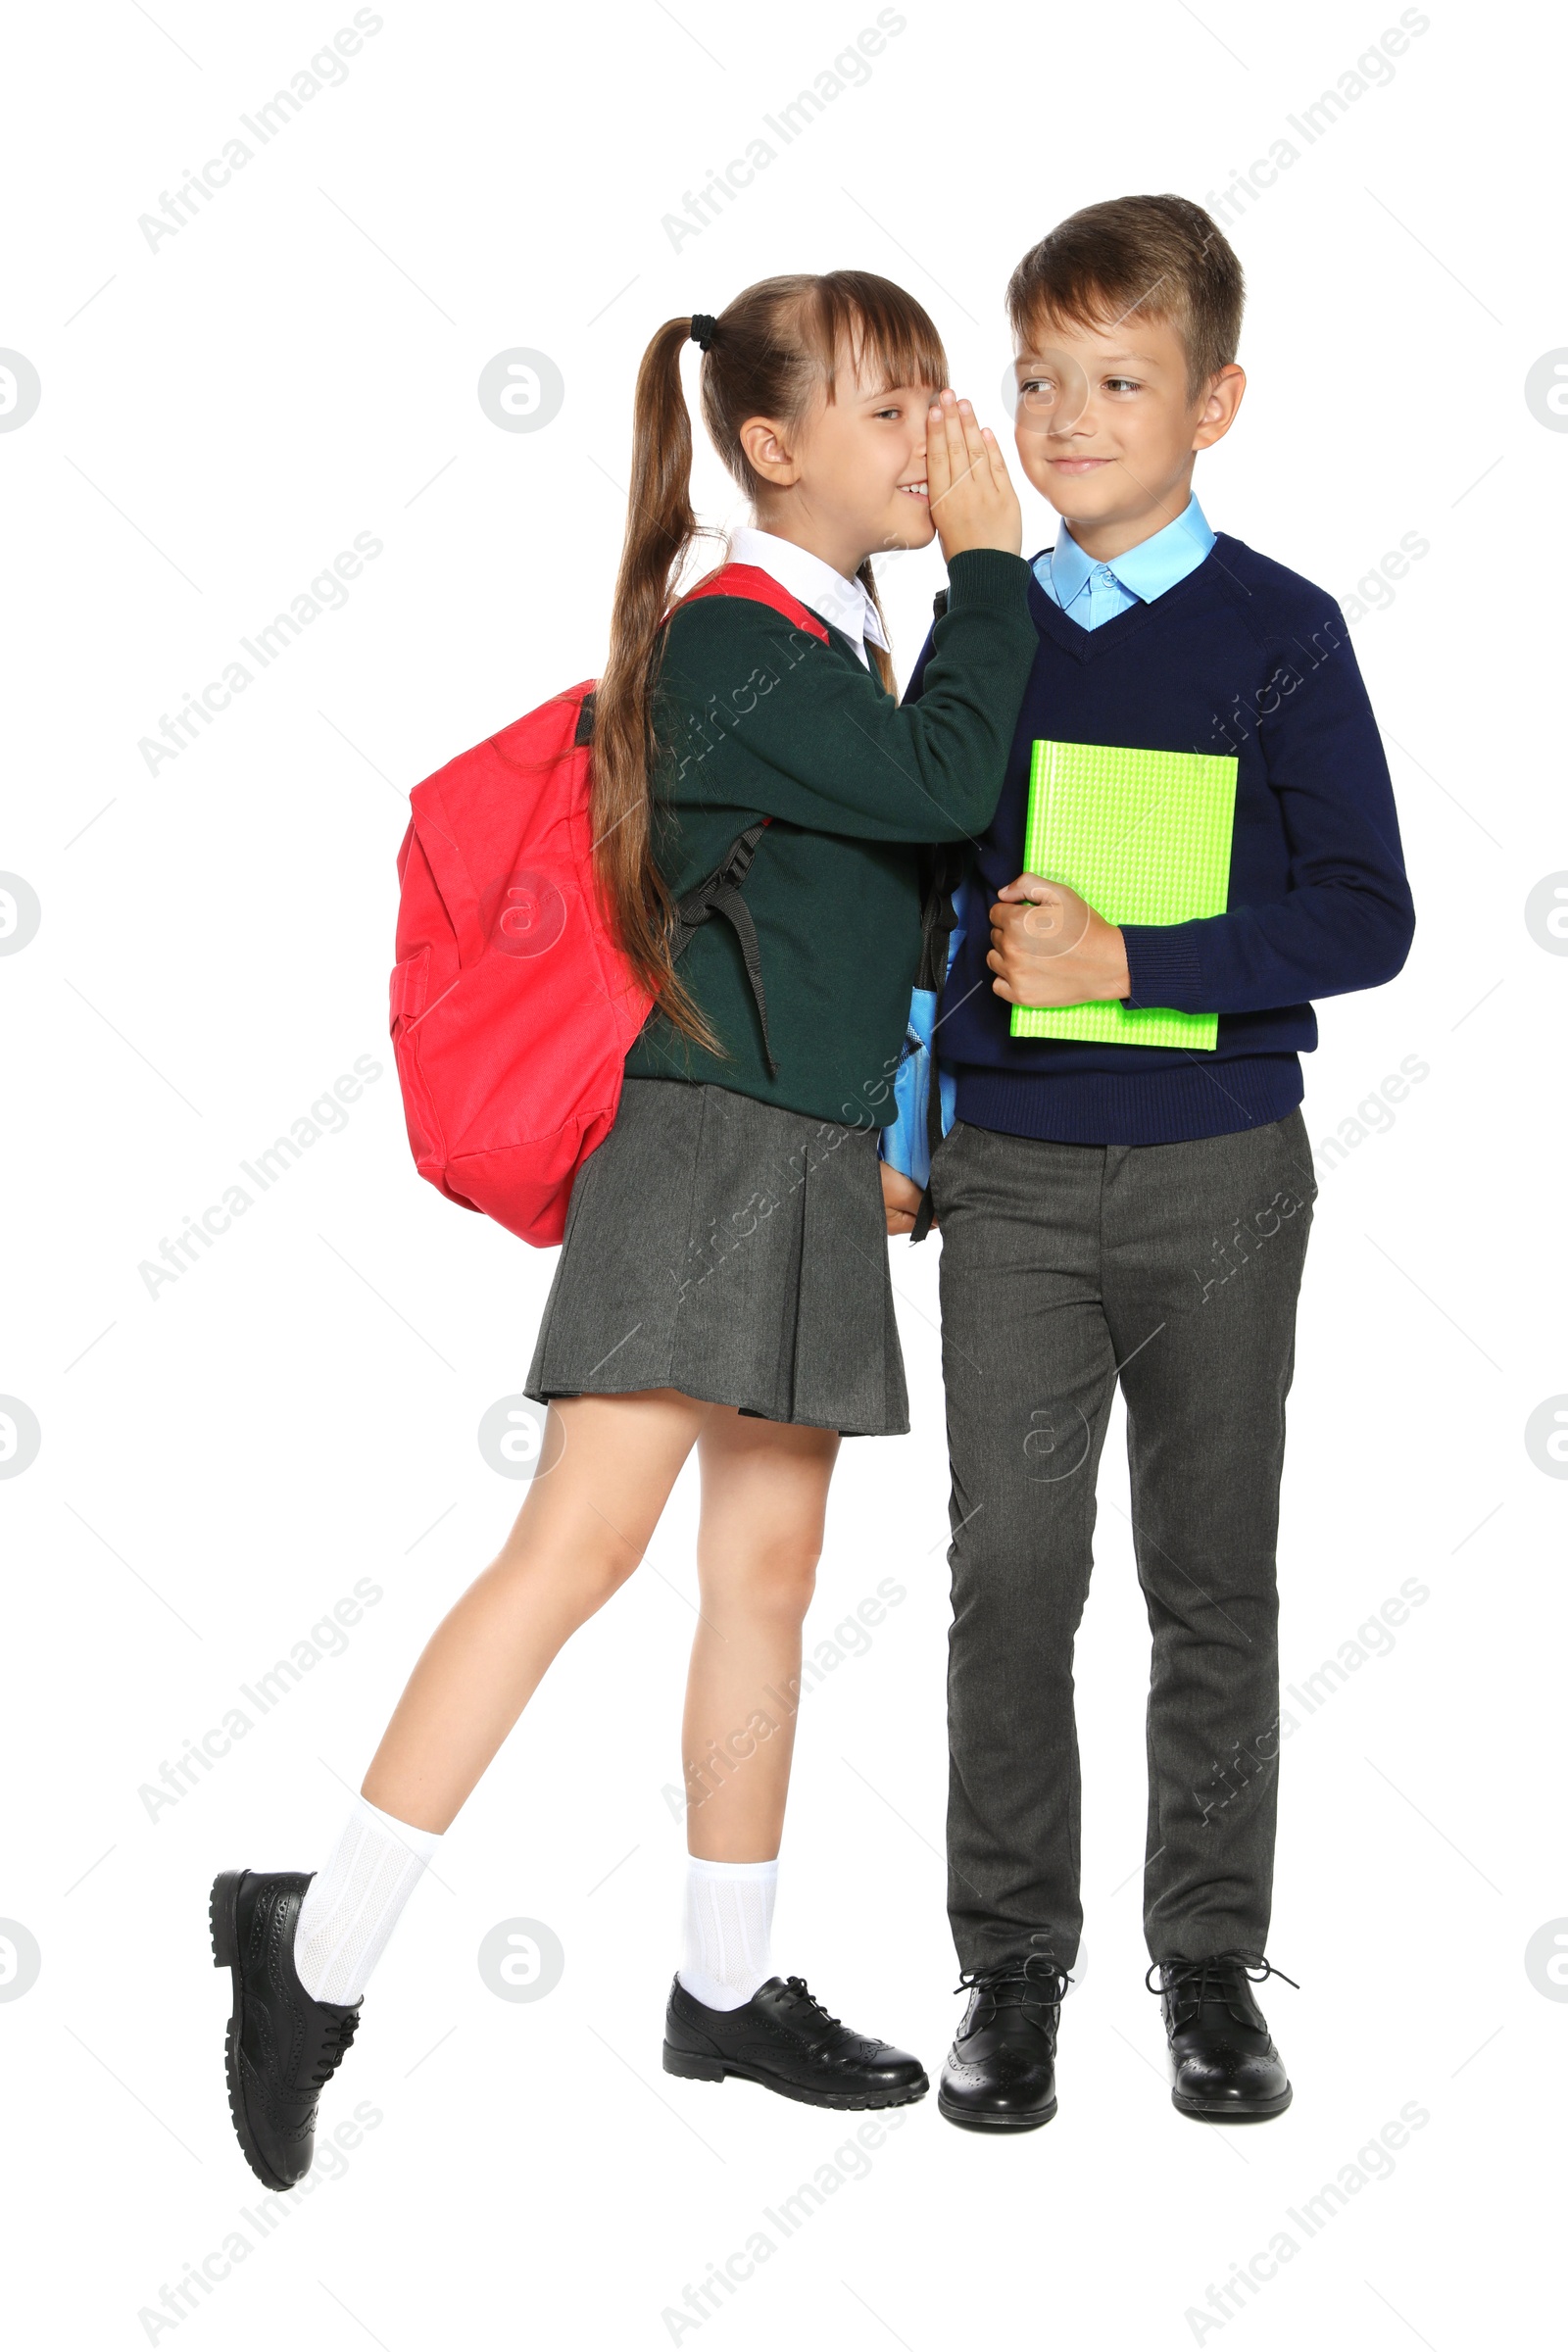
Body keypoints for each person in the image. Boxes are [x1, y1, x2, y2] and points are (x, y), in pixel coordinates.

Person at [211, 270, 1039, 2188]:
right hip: (698, 1160)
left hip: (807, 1159)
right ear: (770, 445)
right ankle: (308, 1953)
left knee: (761, 1577)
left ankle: (724, 1991)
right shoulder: (735, 645)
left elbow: (873, 910)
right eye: (889, 405)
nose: (937, 438)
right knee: (572, 1550)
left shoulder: (827, 651)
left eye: (934, 398)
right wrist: (989, 575)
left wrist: (882, 1133)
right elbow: (950, 783)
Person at [881, 196, 1416, 2129]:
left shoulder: (1281, 634)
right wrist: (899, 1124)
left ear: (1214, 402)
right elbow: (927, 897)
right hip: (1011, 1177)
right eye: (1036, 376)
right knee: (1007, 1581)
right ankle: (1007, 1969)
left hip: (1215, 1174)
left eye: (1115, 377)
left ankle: (1204, 1967)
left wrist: (1141, 963)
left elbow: (1368, 913)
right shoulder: (985, 624)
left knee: (1212, 1580)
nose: (1066, 412)